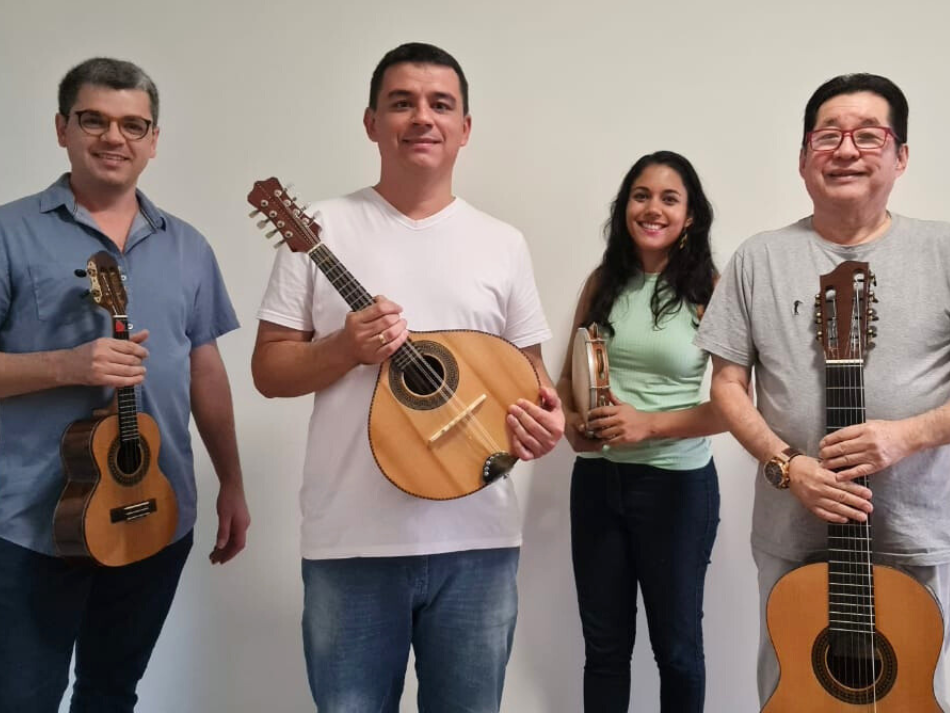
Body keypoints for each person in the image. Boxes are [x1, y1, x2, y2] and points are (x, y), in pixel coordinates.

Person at [251, 41, 565, 713]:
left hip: (479, 539)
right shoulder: (319, 231)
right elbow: (269, 370)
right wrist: (343, 348)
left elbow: (529, 373)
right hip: (349, 542)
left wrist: (547, 419)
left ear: (465, 128)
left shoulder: (502, 242)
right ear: (372, 123)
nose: (422, 117)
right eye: (402, 103)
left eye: (440, 104)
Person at [694, 73, 950, 707]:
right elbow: (729, 384)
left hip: (913, 537)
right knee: (797, 693)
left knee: (902, 697)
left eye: (869, 135)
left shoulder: (947, 249)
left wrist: (906, 436)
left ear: (900, 156)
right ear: (802, 158)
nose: (846, 150)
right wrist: (789, 467)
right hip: (794, 541)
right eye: (828, 135)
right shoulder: (760, 257)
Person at [0, 57, 249, 713]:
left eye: (134, 125)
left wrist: (233, 482)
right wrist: (67, 366)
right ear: (62, 128)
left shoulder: (187, 246)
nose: (116, 138)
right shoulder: (9, 233)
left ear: (154, 140)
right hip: (31, 521)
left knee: (112, 692)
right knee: (23, 697)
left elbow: (205, 369)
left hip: (155, 509)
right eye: (95, 120)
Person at [556, 151, 725, 712]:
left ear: (691, 216)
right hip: (598, 485)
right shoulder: (603, 282)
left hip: (677, 488)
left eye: (669, 198)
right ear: (625, 206)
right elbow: (565, 379)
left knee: (676, 651)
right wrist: (574, 425)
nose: (652, 208)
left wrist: (648, 423)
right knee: (604, 651)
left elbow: (737, 408)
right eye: (641, 195)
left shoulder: (709, 291)